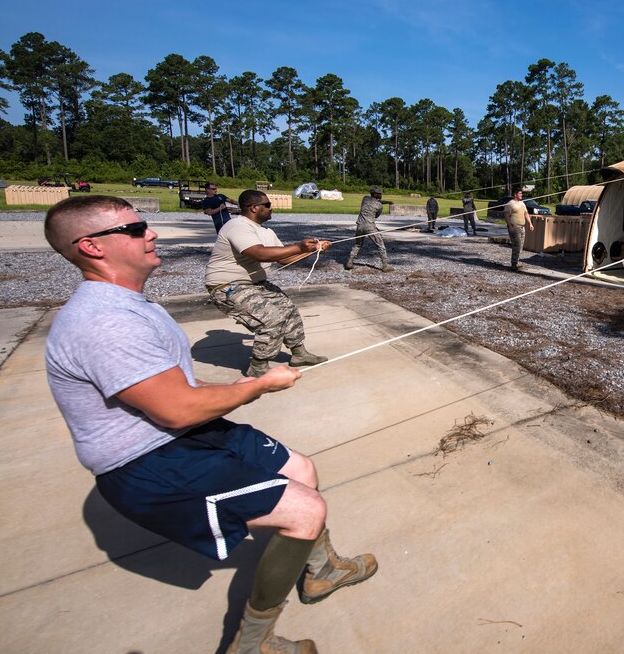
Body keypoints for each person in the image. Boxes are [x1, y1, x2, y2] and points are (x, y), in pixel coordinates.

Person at [43, 195, 377, 653]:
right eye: (135, 229)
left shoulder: (130, 305)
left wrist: (207, 392)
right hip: (146, 460)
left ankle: (321, 572)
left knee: (300, 469)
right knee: (305, 511)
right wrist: (259, 385)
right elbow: (177, 409)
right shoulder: (105, 321)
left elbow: (169, 385)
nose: (151, 233)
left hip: (178, 434)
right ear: (92, 247)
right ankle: (252, 644)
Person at [205, 190, 331, 378]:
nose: (272, 208)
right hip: (227, 286)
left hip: (254, 284)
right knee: (271, 319)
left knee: (288, 309)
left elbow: (284, 259)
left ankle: (299, 354)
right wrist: (298, 246)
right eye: (268, 205)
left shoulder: (266, 231)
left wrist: (315, 250)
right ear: (254, 207)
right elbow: (259, 254)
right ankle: (258, 366)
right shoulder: (237, 226)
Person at [345, 186, 393, 272]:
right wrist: (383, 203)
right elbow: (376, 215)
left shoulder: (365, 199)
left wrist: (387, 202)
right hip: (370, 227)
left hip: (359, 225)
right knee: (380, 245)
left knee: (357, 244)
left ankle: (350, 262)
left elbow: (375, 202)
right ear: (375, 194)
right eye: (379, 194)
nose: (381, 195)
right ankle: (385, 265)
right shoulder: (379, 206)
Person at [503, 188, 534, 271]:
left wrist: (530, 223)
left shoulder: (522, 203)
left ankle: (516, 262)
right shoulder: (510, 204)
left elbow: (526, 213)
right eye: (520, 193)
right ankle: (513, 264)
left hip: (522, 227)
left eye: (521, 193)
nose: (521, 195)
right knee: (517, 245)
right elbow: (506, 215)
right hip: (514, 226)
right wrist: (510, 226)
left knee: (521, 246)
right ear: (515, 194)